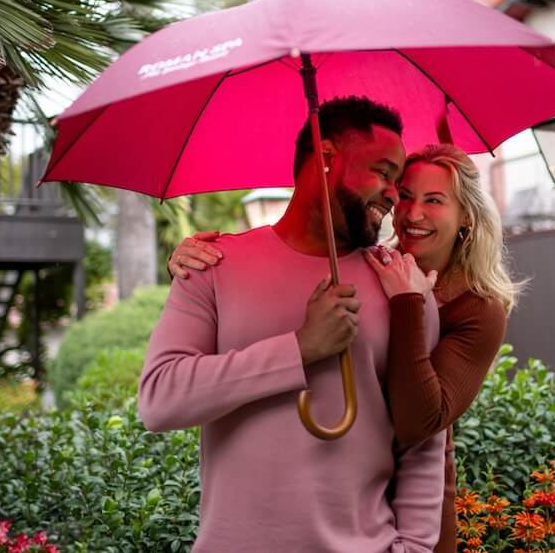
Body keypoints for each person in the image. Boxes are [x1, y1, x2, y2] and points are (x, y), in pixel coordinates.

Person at [170, 143, 521, 553]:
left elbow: (419, 420)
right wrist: (199, 265)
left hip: (411, 515)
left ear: (467, 218)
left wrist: (409, 305)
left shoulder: (479, 309)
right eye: (405, 195)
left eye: (434, 200)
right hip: (339, 500)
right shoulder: (367, 264)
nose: (413, 213)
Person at [139, 96, 446, 552]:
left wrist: (414, 549)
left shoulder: (403, 288)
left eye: (398, 180)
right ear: (325, 158)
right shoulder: (213, 264)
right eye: (383, 172)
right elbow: (160, 401)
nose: (393, 193)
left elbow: (422, 440)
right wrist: (298, 349)